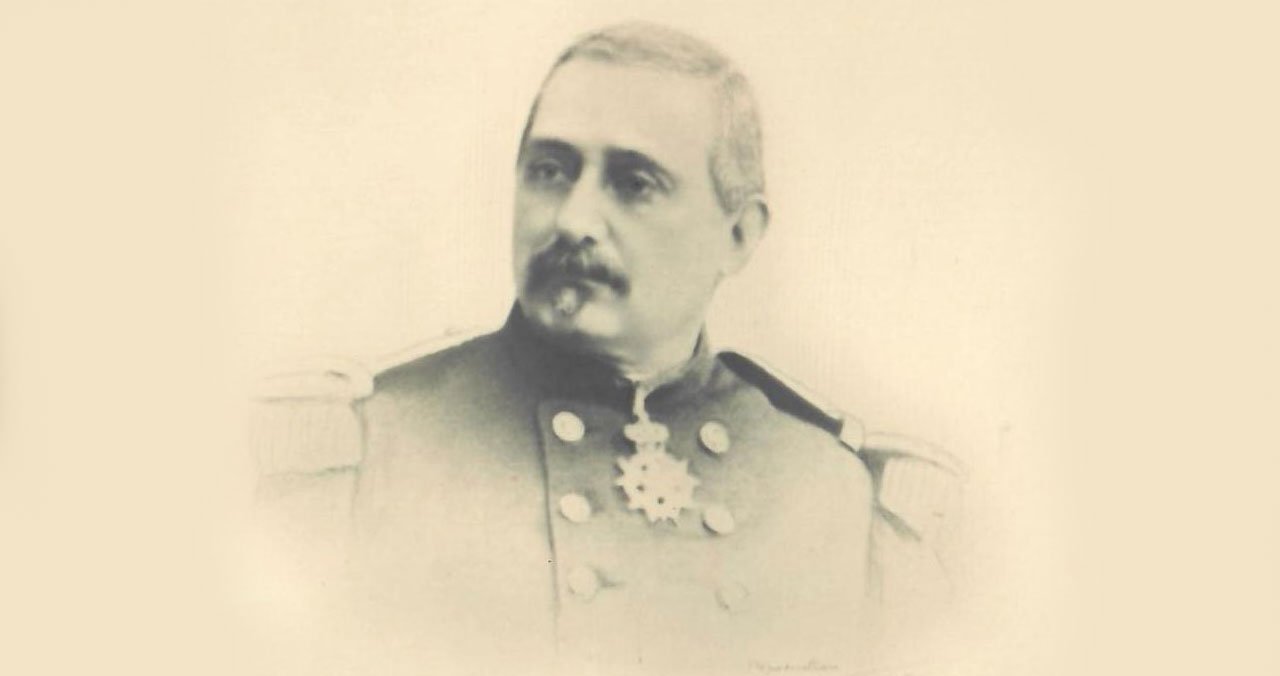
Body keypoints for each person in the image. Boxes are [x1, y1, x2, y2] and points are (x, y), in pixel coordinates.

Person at [249, 21, 964, 674]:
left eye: (634, 184)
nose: (573, 219)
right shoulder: (357, 464)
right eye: (550, 170)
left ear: (738, 236)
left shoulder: (843, 504)